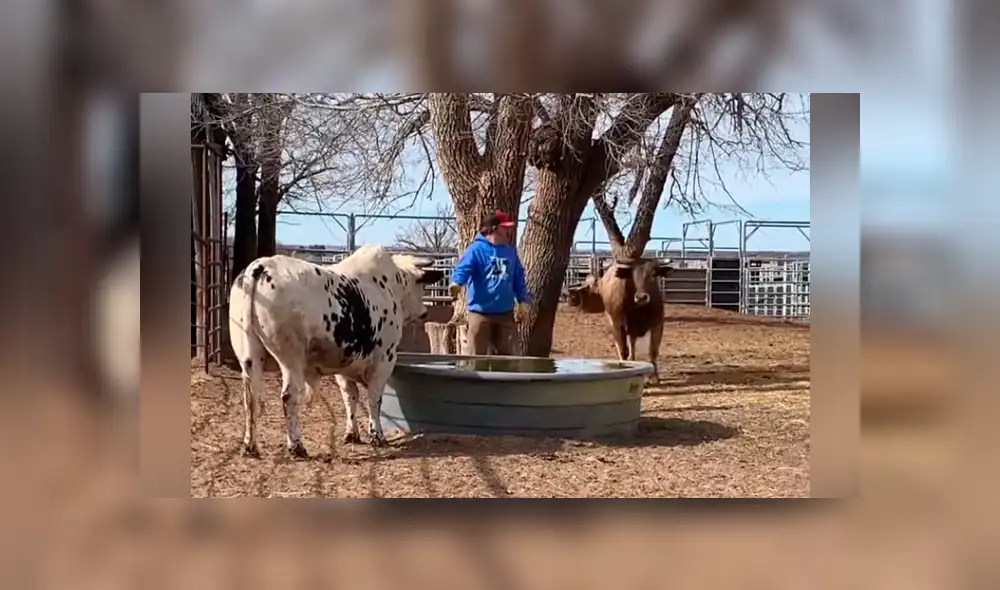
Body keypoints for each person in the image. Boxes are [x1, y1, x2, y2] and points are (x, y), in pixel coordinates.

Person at [449, 210, 532, 355]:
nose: (509, 231)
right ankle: (474, 377)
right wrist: (457, 283)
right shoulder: (476, 250)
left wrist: (523, 300)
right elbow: (463, 268)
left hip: (505, 314)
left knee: (510, 358)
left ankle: (506, 377)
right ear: (495, 229)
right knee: (475, 357)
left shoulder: (510, 252)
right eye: (505, 227)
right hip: (480, 314)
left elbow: (518, 277)